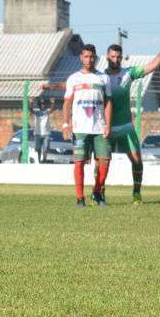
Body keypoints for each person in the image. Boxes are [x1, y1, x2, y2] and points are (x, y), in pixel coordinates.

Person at [104, 33, 160, 204]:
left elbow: (153, 65)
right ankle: (99, 194)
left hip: (126, 126)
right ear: (107, 56)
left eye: (119, 57)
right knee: (102, 163)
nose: (116, 59)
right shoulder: (100, 77)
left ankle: (137, 193)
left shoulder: (128, 73)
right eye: (113, 56)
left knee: (137, 160)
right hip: (106, 127)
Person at [62, 44, 113, 207]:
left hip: (99, 128)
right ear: (81, 58)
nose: (89, 60)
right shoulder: (73, 78)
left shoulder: (103, 78)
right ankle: (79, 197)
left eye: (92, 57)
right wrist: (65, 124)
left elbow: (108, 102)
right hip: (79, 129)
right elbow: (67, 103)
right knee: (79, 162)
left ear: (95, 58)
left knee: (104, 161)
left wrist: (108, 125)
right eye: (86, 56)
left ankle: (97, 191)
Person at [31, 97, 52, 163]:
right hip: (38, 133)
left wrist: (52, 103)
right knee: (38, 148)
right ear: (39, 105)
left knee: (45, 148)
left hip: (46, 133)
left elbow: (51, 110)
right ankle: (39, 159)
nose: (42, 105)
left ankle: (44, 159)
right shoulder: (36, 111)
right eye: (41, 104)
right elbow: (31, 110)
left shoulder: (47, 111)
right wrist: (31, 103)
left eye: (43, 104)